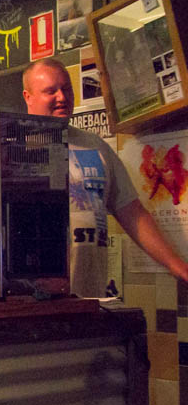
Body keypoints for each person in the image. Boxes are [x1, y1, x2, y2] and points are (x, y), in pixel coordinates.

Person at [22, 57, 188, 296]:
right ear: (28, 97)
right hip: (37, 304)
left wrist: (178, 266)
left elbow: (131, 211)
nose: (62, 98)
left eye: (66, 89)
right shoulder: (15, 148)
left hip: (92, 296)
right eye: (50, 91)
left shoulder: (95, 146)